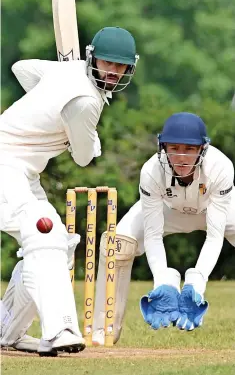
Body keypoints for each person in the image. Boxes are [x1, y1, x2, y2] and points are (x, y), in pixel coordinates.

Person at [0, 27, 139, 355]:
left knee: (57, 245)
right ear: (93, 57)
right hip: (4, 165)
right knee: (44, 235)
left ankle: (9, 331)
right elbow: (82, 157)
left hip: (23, 171)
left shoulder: (64, 70)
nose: (113, 72)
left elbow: (21, 68)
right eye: (107, 63)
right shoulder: (86, 100)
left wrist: (49, 98)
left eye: (120, 67)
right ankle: (60, 329)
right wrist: (89, 136)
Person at [92, 112, 235, 344]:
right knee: (116, 244)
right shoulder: (151, 171)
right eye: (174, 147)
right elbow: (152, 234)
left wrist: (197, 281)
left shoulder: (221, 168)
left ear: (202, 148)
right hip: (168, 210)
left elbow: (215, 235)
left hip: (213, 208)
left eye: (189, 149)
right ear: (163, 147)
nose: (181, 156)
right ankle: (101, 329)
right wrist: (162, 280)